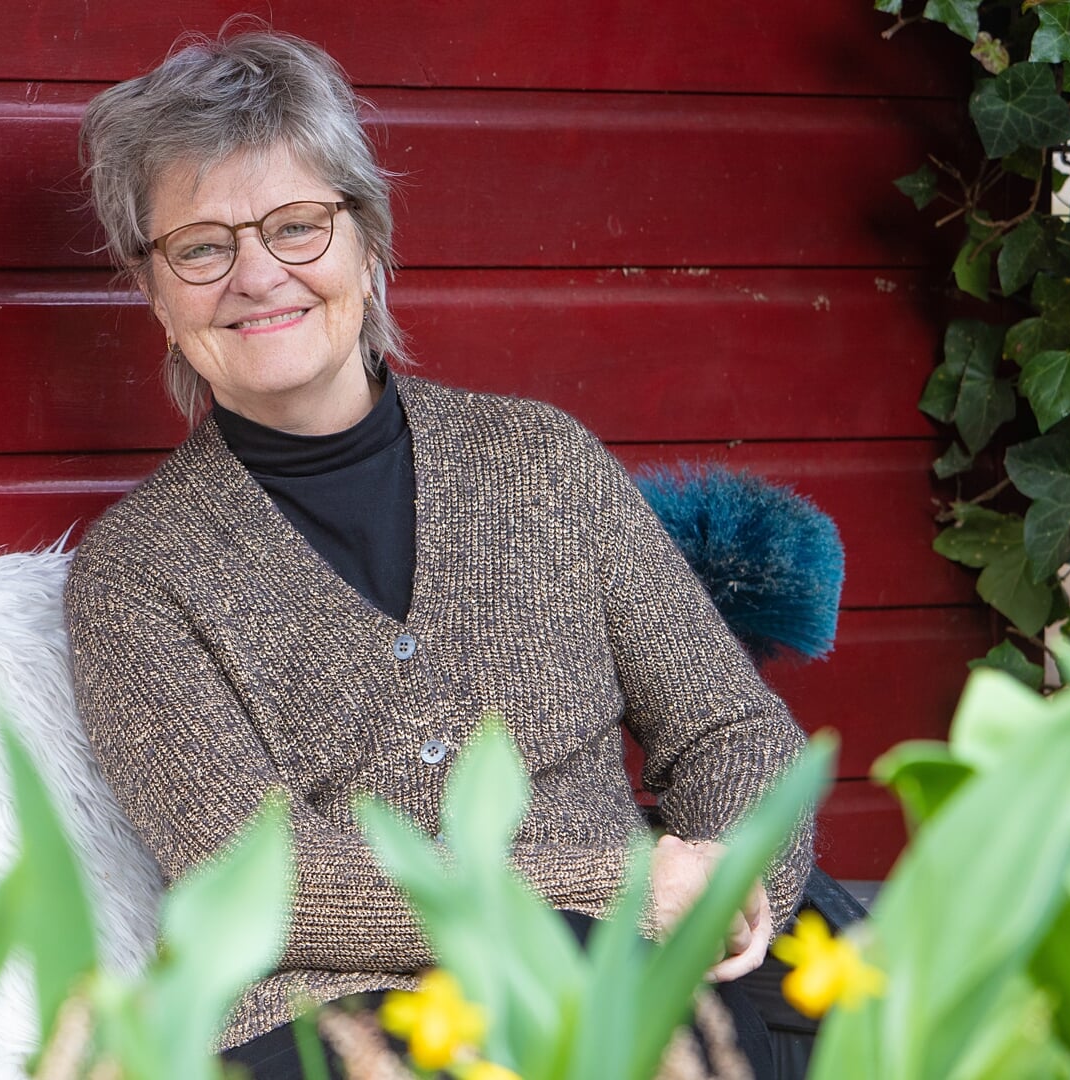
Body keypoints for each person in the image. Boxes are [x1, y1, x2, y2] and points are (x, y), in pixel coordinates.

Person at [64, 25, 811, 1080]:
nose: (255, 274)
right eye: (201, 246)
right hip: (337, 1022)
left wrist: (731, 889)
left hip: (633, 968)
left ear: (365, 244)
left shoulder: (540, 460)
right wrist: (613, 880)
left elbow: (726, 729)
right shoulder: (135, 575)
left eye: (295, 226)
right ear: (155, 289)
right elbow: (256, 876)